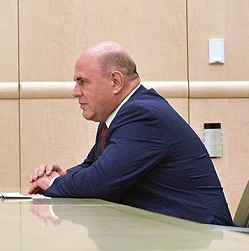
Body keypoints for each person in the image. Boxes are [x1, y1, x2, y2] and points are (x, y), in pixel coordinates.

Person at [27, 41, 233, 226]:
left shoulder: (142, 116)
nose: (75, 92)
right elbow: (93, 166)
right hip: (172, 236)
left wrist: (54, 183)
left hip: (204, 239)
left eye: (83, 82)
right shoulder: (119, 115)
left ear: (115, 82)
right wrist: (61, 176)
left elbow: (99, 182)